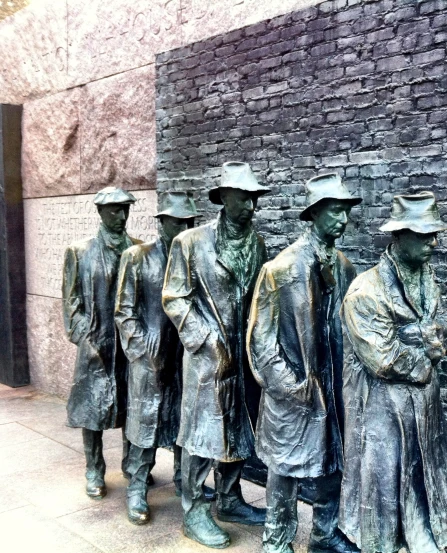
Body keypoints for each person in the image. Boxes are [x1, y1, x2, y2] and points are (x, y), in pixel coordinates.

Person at [339, 192, 447, 553]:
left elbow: (444, 324)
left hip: (423, 408)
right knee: (383, 497)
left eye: (434, 234)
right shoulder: (366, 292)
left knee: (423, 487)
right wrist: (427, 350)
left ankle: (424, 539)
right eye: (425, 235)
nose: (434, 243)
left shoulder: (426, 277)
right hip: (383, 413)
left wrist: (433, 332)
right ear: (401, 235)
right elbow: (383, 358)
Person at [247, 173, 361, 553]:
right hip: (294, 391)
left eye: (345, 212)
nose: (342, 220)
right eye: (334, 212)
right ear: (313, 214)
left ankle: (324, 534)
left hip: (334, 385)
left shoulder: (345, 267)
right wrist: (291, 388)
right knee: (285, 468)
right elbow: (260, 342)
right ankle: (277, 540)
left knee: (334, 462)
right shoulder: (281, 269)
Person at [162, 162, 269, 548]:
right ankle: (193, 512)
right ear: (224, 198)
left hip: (244, 359)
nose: (250, 206)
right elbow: (174, 298)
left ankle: (230, 498)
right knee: (201, 436)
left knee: (241, 431)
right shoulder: (189, 243)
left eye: (254, 198)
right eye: (243, 198)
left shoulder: (257, 243)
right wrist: (207, 339)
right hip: (207, 360)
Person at [115, 191, 216, 525]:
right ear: (162, 223)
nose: (184, 226)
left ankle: (181, 479)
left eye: (189, 221)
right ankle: (138, 486)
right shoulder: (137, 256)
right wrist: (142, 350)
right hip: (149, 358)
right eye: (177, 221)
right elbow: (124, 312)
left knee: (182, 423)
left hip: (185, 357)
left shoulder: (196, 257)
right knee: (145, 424)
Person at [62, 186, 140, 500]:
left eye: (124, 210)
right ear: (100, 212)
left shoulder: (138, 249)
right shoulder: (79, 252)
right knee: (91, 409)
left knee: (132, 406)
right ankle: (94, 467)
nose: (120, 216)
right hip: (96, 344)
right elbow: (71, 303)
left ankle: (132, 466)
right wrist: (85, 337)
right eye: (113, 211)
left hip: (129, 344)